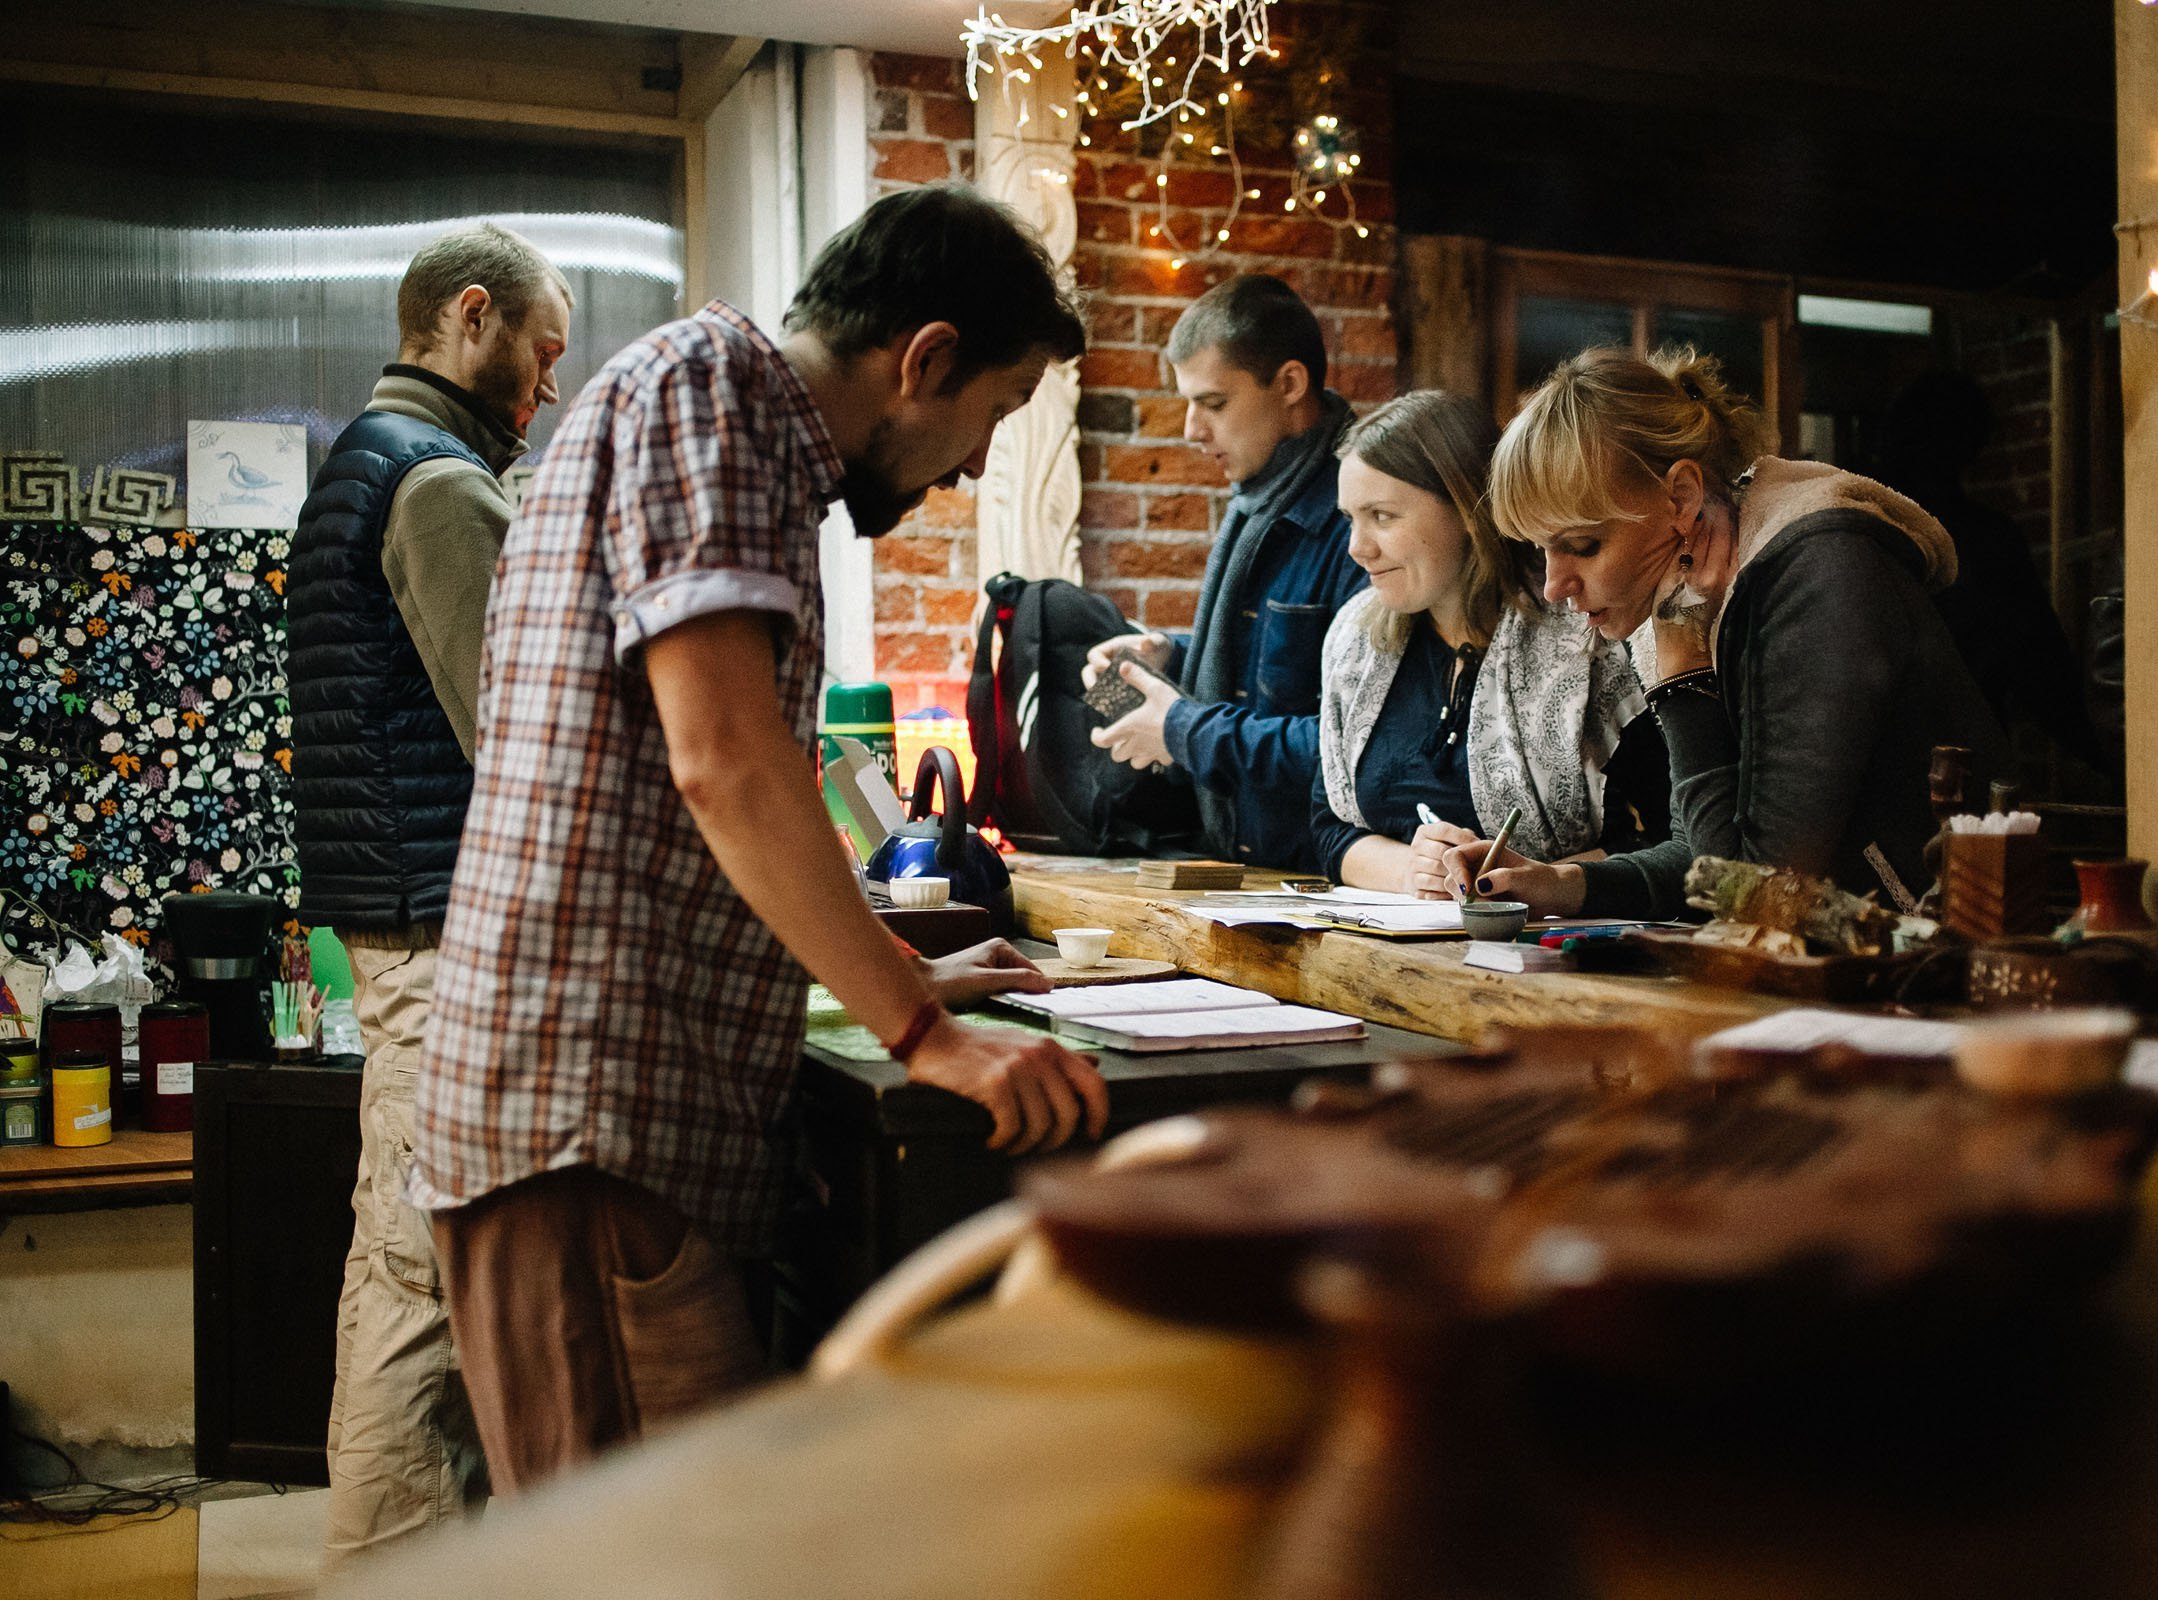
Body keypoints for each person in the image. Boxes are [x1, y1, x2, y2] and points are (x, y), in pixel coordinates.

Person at [408, 185, 1107, 1495]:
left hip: (595, 1119)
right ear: (928, 359)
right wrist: (926, 1034)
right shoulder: (716, 394)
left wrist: (908, 977)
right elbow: (726, 762)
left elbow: (671, 807)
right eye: (995, 418)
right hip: (591, 1125)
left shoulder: (707, 400)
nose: (969, 470)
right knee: (650, 1571)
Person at [288, 221, 571, 1572]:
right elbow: (515, 739)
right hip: (443, 941)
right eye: (544, 350)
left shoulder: (365, 460)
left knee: (401, 1271)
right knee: (420, 1293)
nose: (551, 387)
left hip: (402, 935)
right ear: (474, 319)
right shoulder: (438, 483)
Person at [1470, 344, 2010, 917]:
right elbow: (1698, 857)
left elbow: (1753, 892)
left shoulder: (1823, 573)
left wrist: (1682, 678)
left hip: (1949, 965)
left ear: (1680, 497)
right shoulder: (1682, 592)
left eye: (1582, 545)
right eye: (1540, 549)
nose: (1555, 586)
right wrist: (1562, 883)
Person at [1310, 391, 1667, 905]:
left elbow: (1666, 840)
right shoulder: (1353, 641)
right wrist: (1412, 870)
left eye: (1382, 516)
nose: (1356, 547)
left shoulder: (1591, 636)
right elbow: (1329, 825)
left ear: (1467, 509)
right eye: (1350, 518)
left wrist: (1538, 879)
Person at [1084, 274, 1366, 871]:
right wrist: (1172, 655)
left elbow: (1356, 746)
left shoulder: (1362, 521)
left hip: (1319, 878)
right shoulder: (1256, 500)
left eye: (1213, 403)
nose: (1190, 429)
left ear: (1289, 383)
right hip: (1245, 862)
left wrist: (1182, 728)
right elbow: (1272, 665)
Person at [1876, 369, 2109, 773]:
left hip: (1905, 768)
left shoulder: (1870, 534)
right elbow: (2043, 673)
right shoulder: (1984, 540)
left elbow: (2041, 668)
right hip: (1958, 767)